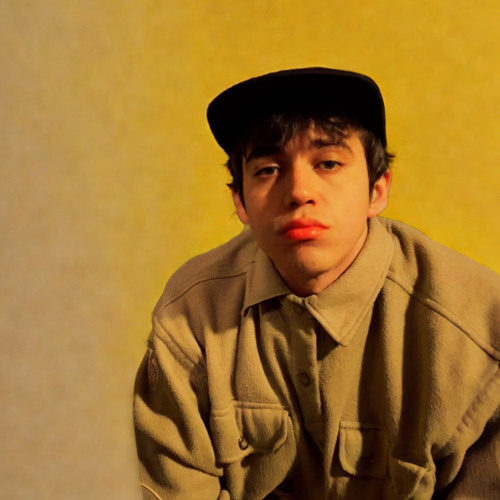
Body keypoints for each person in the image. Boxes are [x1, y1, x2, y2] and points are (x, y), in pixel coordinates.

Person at [133, 68, 500, 499]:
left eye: (328, 163)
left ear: (377, 190)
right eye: (268, 169)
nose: (299, 191)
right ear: (241, 202)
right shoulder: (190, 317)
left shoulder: (477, 332)